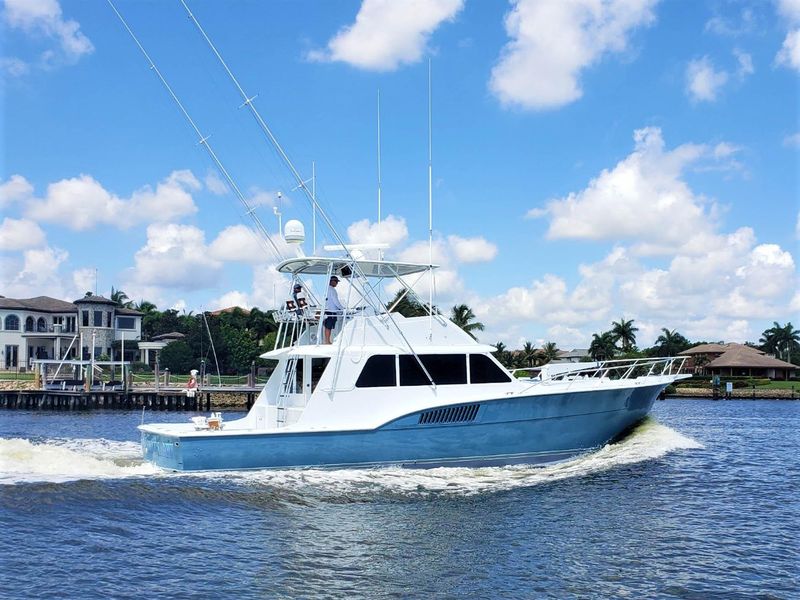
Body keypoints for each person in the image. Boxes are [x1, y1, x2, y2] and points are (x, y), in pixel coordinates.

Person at [324, 275, 344, 344]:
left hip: (327, 310)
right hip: (331, 311)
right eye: (336, 281)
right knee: (328, 327)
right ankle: (327, 341)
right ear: (332, 281)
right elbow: (335, 301)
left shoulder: (326, 289)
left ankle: (327, 340)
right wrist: (342, 309)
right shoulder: (332, 290)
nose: (336, 283)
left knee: (327, 326)